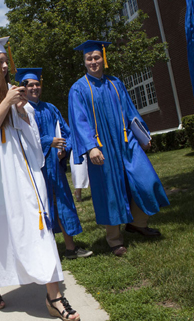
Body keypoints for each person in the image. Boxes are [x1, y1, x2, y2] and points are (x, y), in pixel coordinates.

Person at [0, 37, 80, 321]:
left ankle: (54, 295)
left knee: (38, 230)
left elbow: (31, 134)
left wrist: (22, 111)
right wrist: (4, 105)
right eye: (0, 63)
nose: (6, 67)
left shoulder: (13, 93)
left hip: (21, 175)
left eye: (6, 62)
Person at [68, 40, 169, 256]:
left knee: (146, 179)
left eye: (96, 57)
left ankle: (137, 223)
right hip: (101, 147)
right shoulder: (78, 89)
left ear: (103, 58)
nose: (93, 61)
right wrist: (91, 147)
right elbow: (79, 121)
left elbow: (131, 111)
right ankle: (114, 239)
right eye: (89, 58)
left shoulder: (115, 83)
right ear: (84, 62)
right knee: (109, 191)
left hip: (125, 141)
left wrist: (142, 135)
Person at [16, 68, 92, 260]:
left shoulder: (51, 108)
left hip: (55, 167)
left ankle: (70, 248)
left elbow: (66, 132)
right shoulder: (20, 111)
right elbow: (22, 141)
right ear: (22, 88)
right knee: (41, 208)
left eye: (36, 84)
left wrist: (64, 149)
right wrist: (49, 140)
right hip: (35, 169)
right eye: (29, 85)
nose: (34, 88)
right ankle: (44, 252)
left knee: (63, 204)